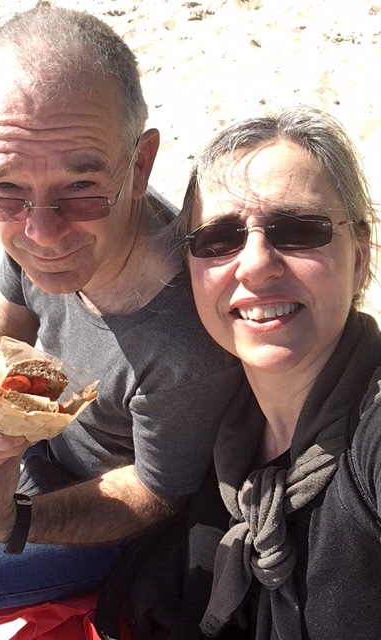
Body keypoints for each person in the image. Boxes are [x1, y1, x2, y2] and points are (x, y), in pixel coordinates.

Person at [0, 4, 242, 639]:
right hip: (39, 413)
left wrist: (11, 518)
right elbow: (4, 330)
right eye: (5, 187)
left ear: (139, 166)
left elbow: (152, 495)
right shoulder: (31, 209)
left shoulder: (188, 337)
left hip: (96, 517)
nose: (41, 232)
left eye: (80, 186)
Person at [169, 105, 381, 638]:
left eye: (298, 229)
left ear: (360, 258)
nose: (256, 264)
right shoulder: (208, 429)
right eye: (218, 239)